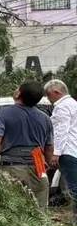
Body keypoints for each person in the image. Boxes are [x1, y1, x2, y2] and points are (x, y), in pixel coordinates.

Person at [0, 80, 54, 209]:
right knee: (39, 212)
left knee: (12, 211)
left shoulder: (3, 113)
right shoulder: (45, 118)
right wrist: (49, 164)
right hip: (38, 168)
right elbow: (49, 149)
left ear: (18, 94)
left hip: (12, 167)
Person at [45, 79, 77, 217]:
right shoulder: (73, 104)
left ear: (57, 92)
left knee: (74, 188)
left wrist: (56, 153)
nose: (48, 98)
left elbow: (61, 130)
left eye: (49, 94)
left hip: (67, 151)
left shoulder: (62, 107)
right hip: (73, 149)